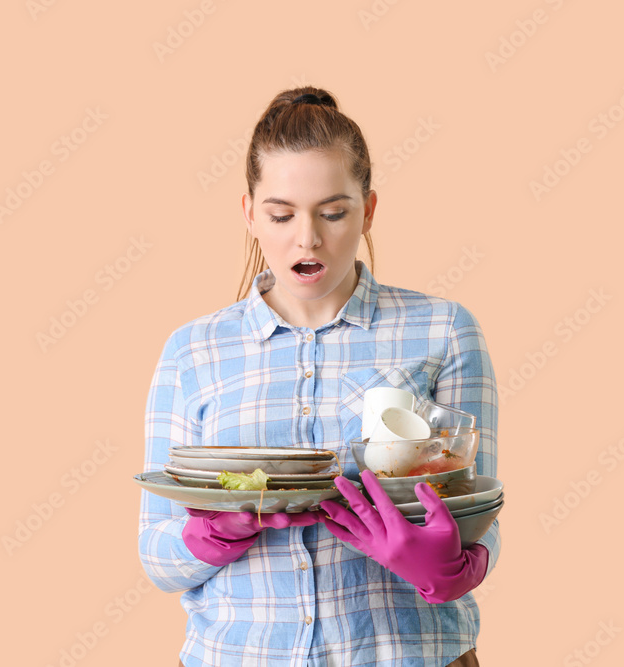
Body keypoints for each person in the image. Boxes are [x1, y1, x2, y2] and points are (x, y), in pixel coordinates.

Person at [138, 86, 499, 667]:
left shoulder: (445, 331)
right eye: (281, 214)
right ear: (250, 214)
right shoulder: (192, 351)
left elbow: (483, 515)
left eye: (334, 212)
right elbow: (155, 554)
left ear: (369, 210)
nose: (307, 237)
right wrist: (212, 534)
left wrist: (448, 564)